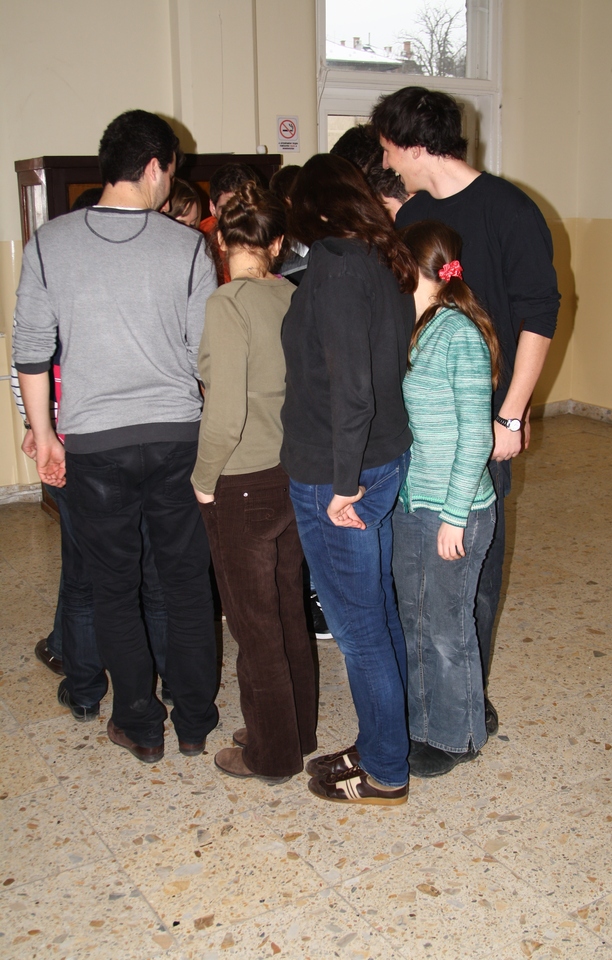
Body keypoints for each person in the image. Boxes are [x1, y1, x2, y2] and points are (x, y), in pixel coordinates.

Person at [13, 109, 219, 763]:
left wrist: (45, 436)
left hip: (95, 444)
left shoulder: (49, 243)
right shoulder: (188, 247)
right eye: (171, 173)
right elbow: (206, 358)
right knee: (185, 582)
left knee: (113, 585)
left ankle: (140, 724)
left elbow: (30, 351)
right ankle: (195, 722)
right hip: (177, 437)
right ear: (155, 167)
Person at [371, 87, 560, 734]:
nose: (385, 161)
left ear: (415, 146)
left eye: (389, 148)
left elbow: (539, 315)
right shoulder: (414, 214)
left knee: (471, 565)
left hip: (484, 418)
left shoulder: (510, 209)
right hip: (421, 422)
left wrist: (510, 413)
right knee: (424, 569)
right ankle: (433, 693)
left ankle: (466, 699)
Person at [280, 154, 417, 805]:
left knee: (360, 633)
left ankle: (386, 771)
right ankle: (381, 741)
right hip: (380, 459)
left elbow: (353, 390)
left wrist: (341, 485)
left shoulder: (335, 263)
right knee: (377, 614)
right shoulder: (381, 257)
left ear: (312, 206)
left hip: (340, 475)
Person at [192, 183, 317, 783]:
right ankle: (296, 728)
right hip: (292, 472)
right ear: (278, 242)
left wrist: (203, 478)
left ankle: (271, 753)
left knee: (253, 623)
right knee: (288, 608)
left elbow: (224, 413)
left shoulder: (228, 304)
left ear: (221, 240)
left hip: (242, 478)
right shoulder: (292, 295)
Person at [393, 220, 501, 777]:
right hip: (417, 503)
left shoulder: (457, 332)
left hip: (454, 509)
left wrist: (455, 517)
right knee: (414, 619)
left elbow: (477, 436)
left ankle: (458, 736)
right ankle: (423, 724)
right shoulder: (421, 326)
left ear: (411, 266)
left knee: (446, 627)